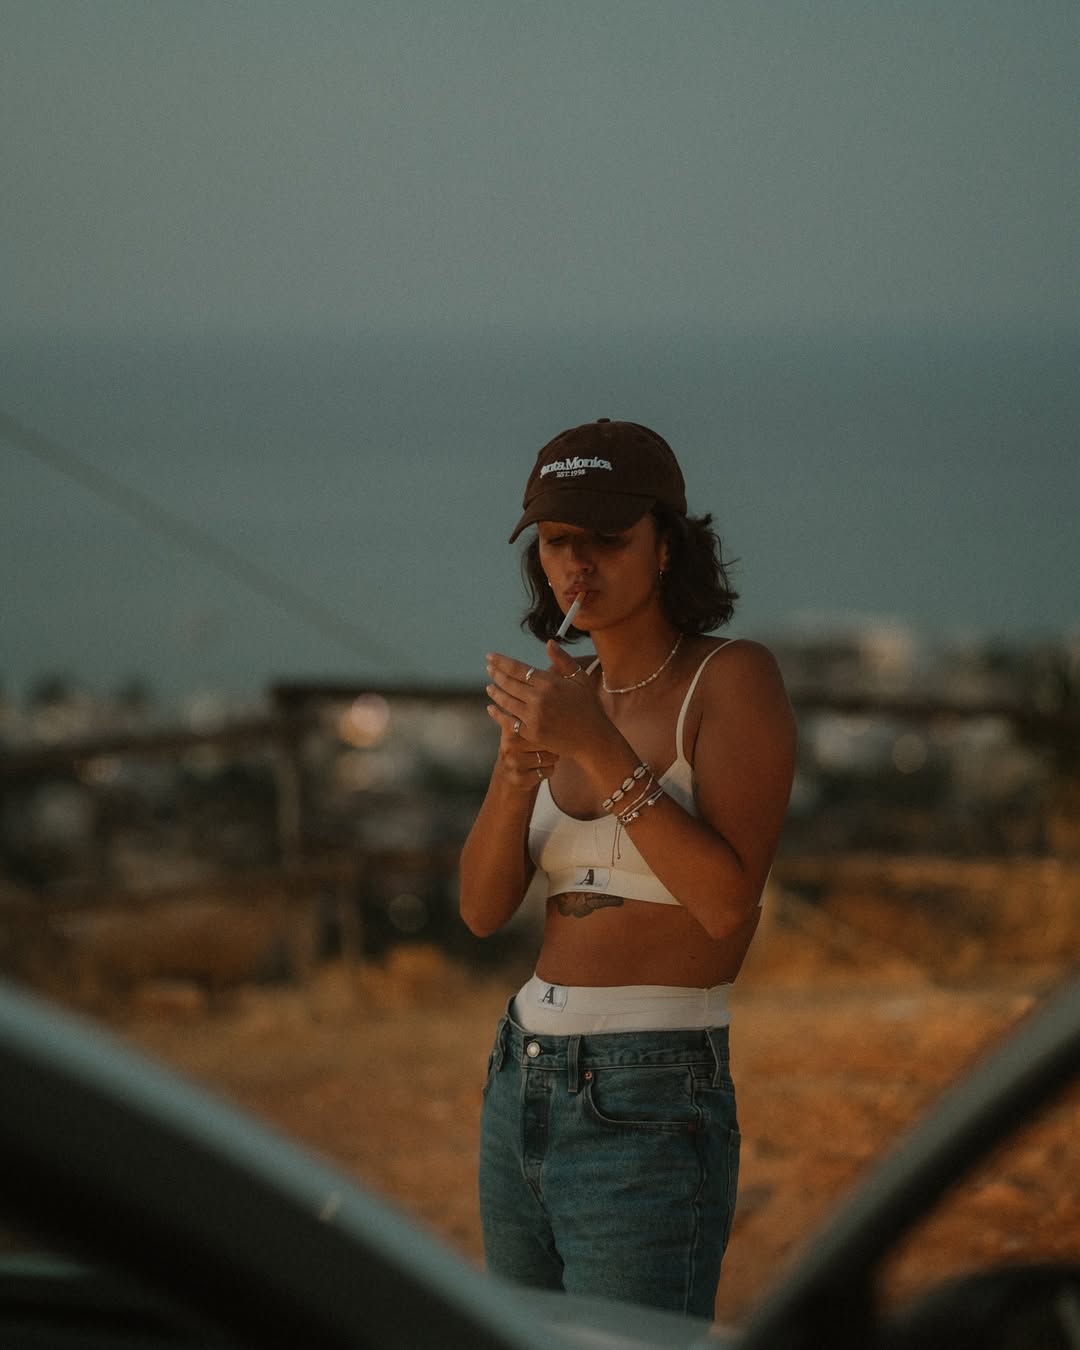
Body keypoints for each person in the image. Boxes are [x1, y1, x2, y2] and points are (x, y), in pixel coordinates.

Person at [459, 418, 796, 1319]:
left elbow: (725, 907)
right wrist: (515, 769)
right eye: (556, 541)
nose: (577, 565)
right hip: (520, 1070)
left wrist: (599, 749)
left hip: (650, 1086)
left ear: (666, 545)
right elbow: (482, 912)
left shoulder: (730, 679)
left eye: (606, 539)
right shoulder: (566, 699)